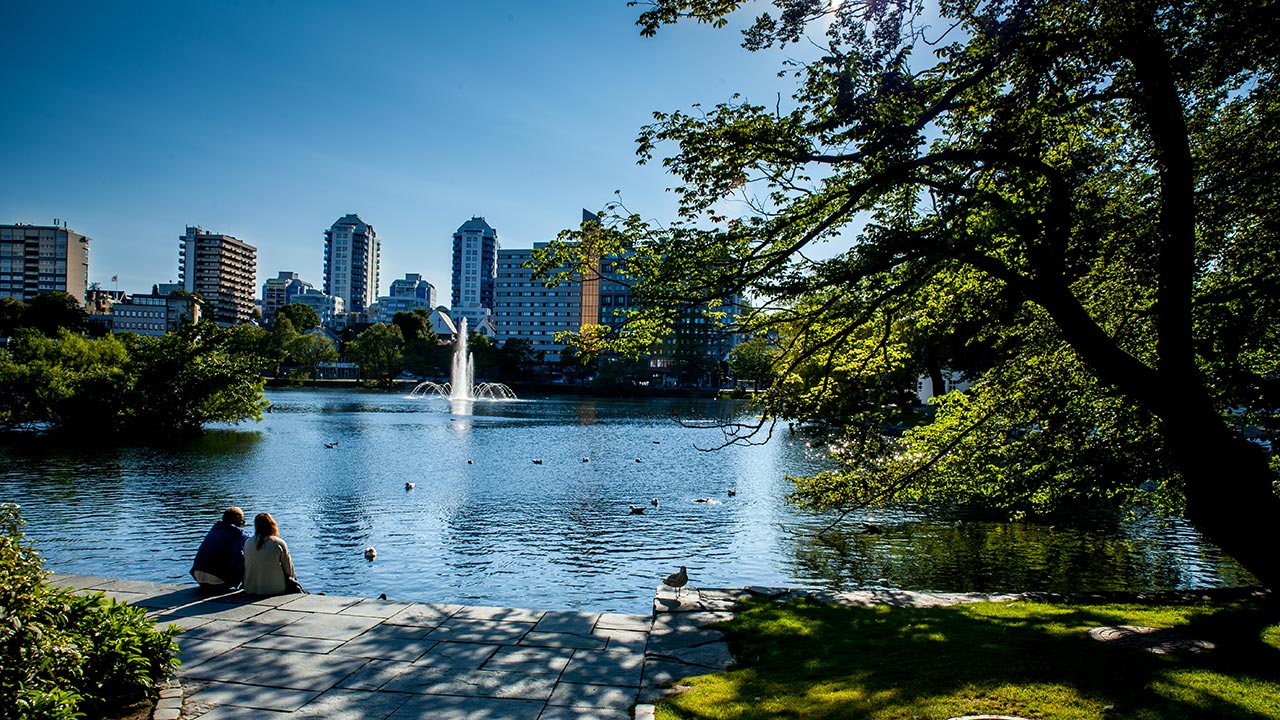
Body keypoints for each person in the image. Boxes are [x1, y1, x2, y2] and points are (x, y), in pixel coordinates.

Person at [190, 507, 248, 592]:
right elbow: (253, 546)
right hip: (219, 581)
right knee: (249, 555)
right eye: (242, 521)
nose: (242, 524)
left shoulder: (214, 529)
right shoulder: (237, 533)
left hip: (198, 577)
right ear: (238, 520)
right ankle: (245, 587)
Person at [242, 512, 299, 595]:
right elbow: (289, 571)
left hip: (251, 589)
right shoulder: (279, 543)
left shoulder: (248, 543)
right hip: (275, 589)